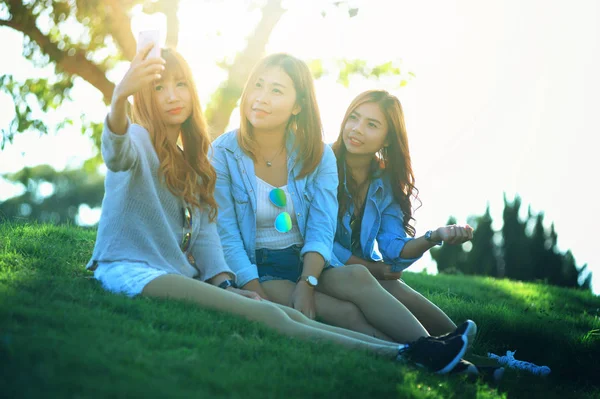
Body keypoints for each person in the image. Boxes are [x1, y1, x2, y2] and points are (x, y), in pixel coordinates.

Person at [85, 45, 469, 375]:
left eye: (181, 84)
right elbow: (117, 151)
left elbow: (206, 235)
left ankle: (443, 353)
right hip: (146, 269)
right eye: (158, 87)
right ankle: (413, 355)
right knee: (300, 315)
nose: (172, 95)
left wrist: (233, 283)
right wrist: (120, 96)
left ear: (298, 105)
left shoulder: (195, 164)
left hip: (276, 264)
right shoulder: (148, 140)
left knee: (357, 284)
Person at [211, 53, 475, 368]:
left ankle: (438, 351)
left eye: (276, 90)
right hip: (263, 269)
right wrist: (254, 292)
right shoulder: (223, 152)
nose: (261, 98)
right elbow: (226, 233)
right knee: (346, 313)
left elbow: (321, 228)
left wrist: (307, 281)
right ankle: (435, 359)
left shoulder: (317, 155)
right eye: (257, 85)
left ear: (298, 105)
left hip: (308, 261)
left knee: (360, 278)